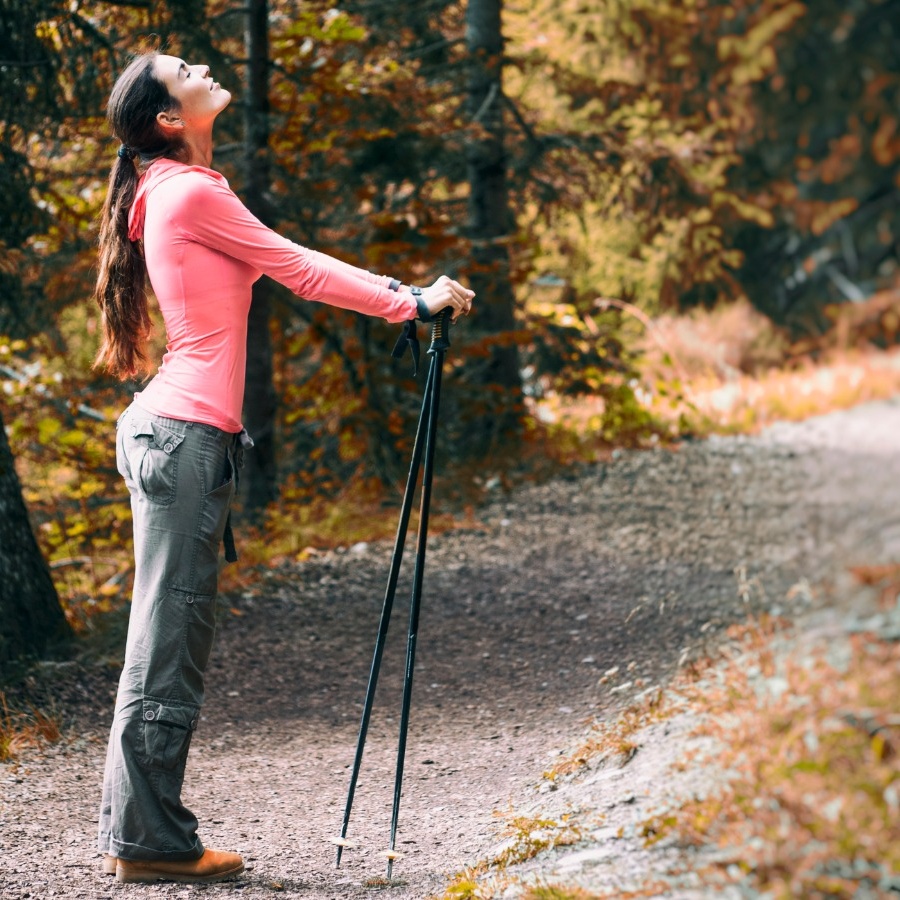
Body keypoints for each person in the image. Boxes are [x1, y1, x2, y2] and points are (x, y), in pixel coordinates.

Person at [93, 50, 474, 885]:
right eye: (180, 68)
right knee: (169, 640)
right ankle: (152, 843)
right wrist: (409, 299)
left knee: (163, 636)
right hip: (184, 439)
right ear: (168, 117)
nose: (198, 64)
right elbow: (294, 266)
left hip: (178, 436)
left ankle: (141, 834)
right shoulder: (189, 190)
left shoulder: (171, 190)